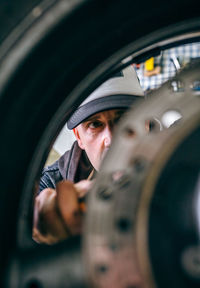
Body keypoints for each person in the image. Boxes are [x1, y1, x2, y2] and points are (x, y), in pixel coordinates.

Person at [33, 66, 145, 244]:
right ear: (79, 137)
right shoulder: (51, 183)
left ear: (146, 122)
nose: (111, 139)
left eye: (123, 118)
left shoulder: (177, 157)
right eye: (94, 124)